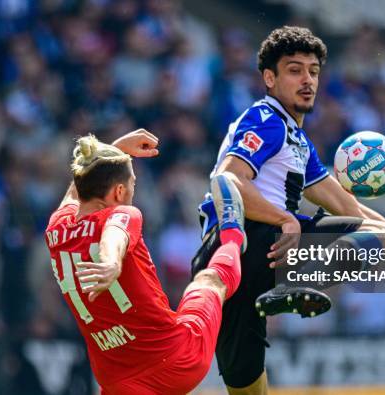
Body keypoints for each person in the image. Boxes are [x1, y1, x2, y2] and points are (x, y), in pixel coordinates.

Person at [192, 26, 385, 394]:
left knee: (249, 390)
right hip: (246, 243)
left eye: (313, 71)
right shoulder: (266, 119)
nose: (307, 80)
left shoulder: (298, 143)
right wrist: (284, 217)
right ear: (270, 78)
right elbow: (227, 179)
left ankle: (287, 287)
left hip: (244, 271)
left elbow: (350, 207)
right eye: (294, 70)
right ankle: (295, 284)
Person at [44, 129, 247, 395]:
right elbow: (113, 235)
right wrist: (111, 262)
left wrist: (116, 149)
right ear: (118, 191)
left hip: (116, 381)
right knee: (209, 281)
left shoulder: (56, 226)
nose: (132, 192)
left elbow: (77, 189)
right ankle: (232, 234)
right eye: (132, 185)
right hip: (173, 361)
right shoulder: (124, 214)